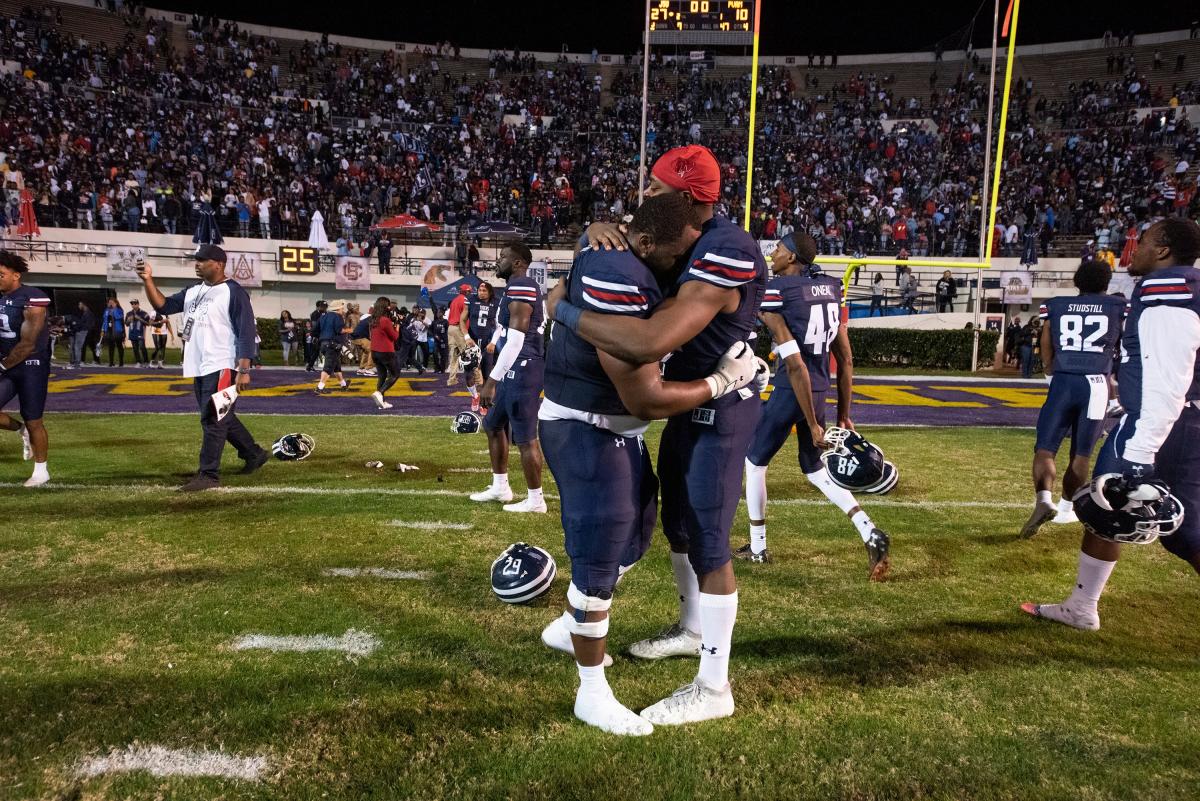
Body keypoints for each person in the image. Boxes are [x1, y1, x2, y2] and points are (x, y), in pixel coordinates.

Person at [549, 144, 767, 726]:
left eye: (655, 186)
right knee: (675, 525)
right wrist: (592, 230)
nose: (643, 194)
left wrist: (562, 308)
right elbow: (635, 242)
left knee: (710, 539)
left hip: (718, 397)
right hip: (684, 398)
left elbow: (647, 343)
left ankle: (714, 686)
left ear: (690, 202)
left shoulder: (725, 248)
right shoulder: (668, 227)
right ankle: (692, 628)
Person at [1023, 218, 1200, 630]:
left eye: (1143, 241)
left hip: (1161, 423)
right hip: (1161, 415)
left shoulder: (1168, 289)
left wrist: (1140, 453)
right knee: (1114, 506)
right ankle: (1082, 605)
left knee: (1173, 526)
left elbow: (1168, 375)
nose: (1132, 248)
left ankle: (1083, 606)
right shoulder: (1176, 289)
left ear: (1163, 250)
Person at [736, 232, 891, 576]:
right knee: (814, 468)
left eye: (777, 249)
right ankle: (869, 530)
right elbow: (846, 358)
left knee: (754, 461)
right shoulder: (831, 287)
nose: (772, 254)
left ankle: (758, 547)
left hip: (795, 388)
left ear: (791, 257)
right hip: (819, 389)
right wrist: (844, 414)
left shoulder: (779, 291)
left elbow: (795, 364)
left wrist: (812, 423)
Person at [135, 245, 269, 491]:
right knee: (220, 415)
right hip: (200, 366)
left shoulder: (233, 292)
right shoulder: (194, 291)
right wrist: (148, 280)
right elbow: (163, 306)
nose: (197, 264)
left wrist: (244, 369)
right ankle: (253, 453)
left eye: (202, 260)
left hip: (222, 365)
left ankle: (208, 474)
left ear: (218, 264)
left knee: (213, 420)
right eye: (196, 260)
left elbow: (246, 332)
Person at [1021, 260, 1126, 539]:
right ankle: (1066, 509)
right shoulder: (1118, 307)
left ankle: (1044, 500)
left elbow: (1045, 341)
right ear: (1106, 283)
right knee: (1081, 455)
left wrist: (1048, 370)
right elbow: (1125, 344)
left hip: (1064, 380)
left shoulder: (1055, 305)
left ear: (1077, 282)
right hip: (1096, 383)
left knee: (1045, 449)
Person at [471, 244, 547, 513]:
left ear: (518, 263)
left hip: (523, 367)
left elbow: (516, 338)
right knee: (493, 423)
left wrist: (492, 380)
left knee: (525, 437)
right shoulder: (515, 287)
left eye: (503, 257)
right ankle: (501, 487)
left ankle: (536, 500)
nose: (498, 261)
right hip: (516, 366)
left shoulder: (522, 285)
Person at [0, 250, 52, 487]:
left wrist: (1, 365)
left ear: (16, 275)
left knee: (33, 419)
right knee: (27, 425)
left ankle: (41, 471)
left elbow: (28, 342)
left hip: (30, 365)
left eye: (1, 274)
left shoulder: (33, 297)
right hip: (6, 362)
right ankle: (20, 430)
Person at [465, 282, 500, 412]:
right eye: (480, 290)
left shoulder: (497, 303)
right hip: (472, 342)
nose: (481, 292)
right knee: (469, 375)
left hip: (487, 343)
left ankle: (485, 403)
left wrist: (494, 342)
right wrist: (466, 337)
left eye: (484, 290)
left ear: (490, 292)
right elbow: (462, 321)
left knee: (487, 375)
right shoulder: (471, 300)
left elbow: (499, 325)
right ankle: (475, 396)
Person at [368, 297, 400, 410]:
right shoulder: (385, 320)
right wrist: (397, 326)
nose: (389, 307)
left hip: (374, 351)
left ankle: (382, 402)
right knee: (395, 374)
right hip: (386, 351)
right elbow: (395, 336)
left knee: (382, 376)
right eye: (388, 305)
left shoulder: (373, 319)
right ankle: (379, 393)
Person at [315, 300, 350, 393]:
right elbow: (339, 330)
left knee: (336, 366)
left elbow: (314, 331)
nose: (343, 310)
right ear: (338, 308)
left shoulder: (323, 317)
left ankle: (343, 385)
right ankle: (320, 387)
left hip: (323, 344)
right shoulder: (338, 317)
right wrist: (350, 330)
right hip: (332, 345)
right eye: (342, 308)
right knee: (328, 367)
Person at [446, 284, 472, 386]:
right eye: (469, 291)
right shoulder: (465, 300)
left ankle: (451, 380)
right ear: (466, 291)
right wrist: (466, 332)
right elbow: (464, 318)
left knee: (453, 356)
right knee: (468, 354)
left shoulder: (454, 300)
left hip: (450, 328)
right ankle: (475, 379)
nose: (470, 293)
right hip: (458, 329)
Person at [126, 299, 151, 367]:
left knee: (142, 347)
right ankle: (138, 362)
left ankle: (146, 362)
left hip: (140, 333)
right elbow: (126, 324)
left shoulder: (144, 313)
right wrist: (128, 320)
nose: (133, 305)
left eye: (135, 304)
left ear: (138, 304)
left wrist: (140, 319)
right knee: (135, 348)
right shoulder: (129, 313)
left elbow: (148, 323)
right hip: (132, 333)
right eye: (132, 304)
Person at [101, 298, 126, 367]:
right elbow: (104, 320)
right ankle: (111, 362)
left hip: (117, 331)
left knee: (119, 346)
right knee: (111, 347)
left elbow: (118, 317)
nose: (110, 304)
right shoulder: (106, 310)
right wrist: (103, 329)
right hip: (109, 331)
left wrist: (114, 309)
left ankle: (121, 362)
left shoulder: (119, 310)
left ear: (116, 303)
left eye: (112, 303)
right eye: (109, 303)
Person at [304, 300, 327, 371]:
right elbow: (314, 325)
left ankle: (309, 366)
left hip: (323, 334)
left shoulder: (325, 313)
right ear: (318, 307)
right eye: (322, 306)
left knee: (317, 351)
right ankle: (310, 366)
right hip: (318, 335)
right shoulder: (315, 314)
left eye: (325, 306)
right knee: (318, 351)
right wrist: (314, 335)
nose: (324, 308)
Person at [71, 301, 94, 368]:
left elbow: (87, 324)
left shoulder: (87, 313)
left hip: (82, 331)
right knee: (79, 347)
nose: (79, 306)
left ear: (84, 305)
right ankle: (78, 361)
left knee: (77, 347)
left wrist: (78, 327)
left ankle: (77, 362)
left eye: (80, 304)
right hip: (84, 331)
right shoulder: (85, 313)